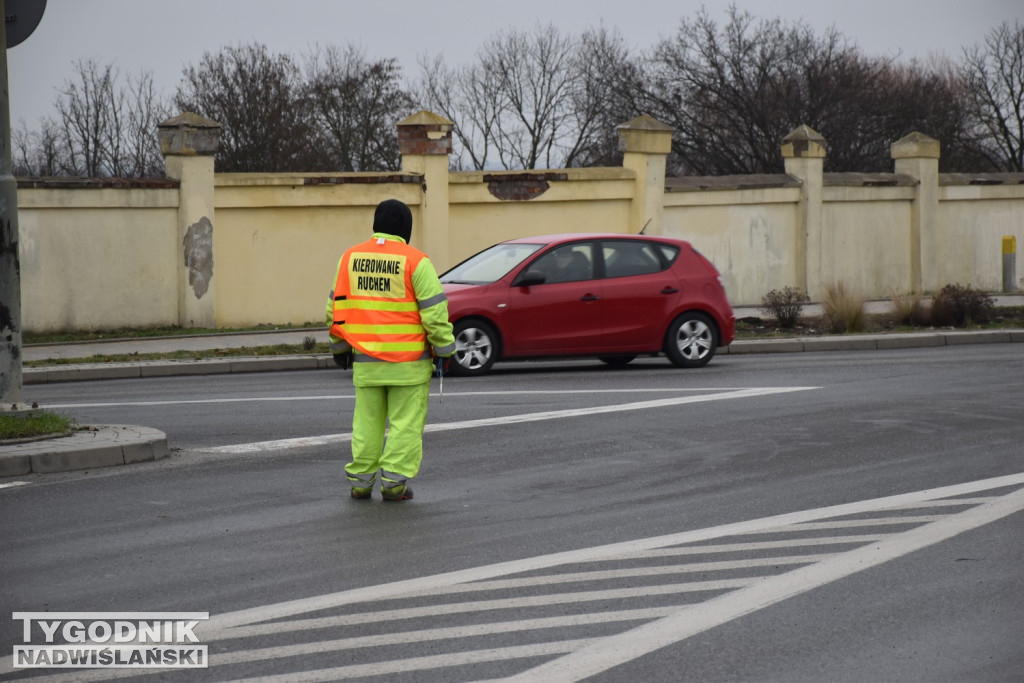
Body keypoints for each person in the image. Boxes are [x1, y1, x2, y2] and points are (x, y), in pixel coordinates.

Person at [326, 199, 456, 501]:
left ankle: (360, 483)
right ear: (406, 230)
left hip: (366, 364)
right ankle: (393, 485)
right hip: (408, 365)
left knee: (367, 425)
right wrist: (445, 350)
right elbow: (434, 314)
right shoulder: (416, 262)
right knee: (404, 427)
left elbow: (337, 309)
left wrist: (339, 347)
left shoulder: (349, 259)